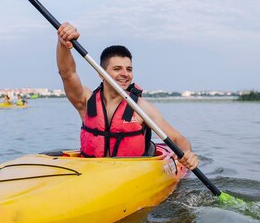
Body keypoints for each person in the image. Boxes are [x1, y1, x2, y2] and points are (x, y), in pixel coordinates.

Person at [56, 22, 199, 170]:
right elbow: (67, 74)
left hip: (131, 174)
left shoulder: (141, 107)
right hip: (92, 172)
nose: (125, 74)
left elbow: (177, 138)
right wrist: (63, 43)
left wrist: (187, 152)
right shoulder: (86, 101)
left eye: (129, 69)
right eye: (117, 69)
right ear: (101, 73)